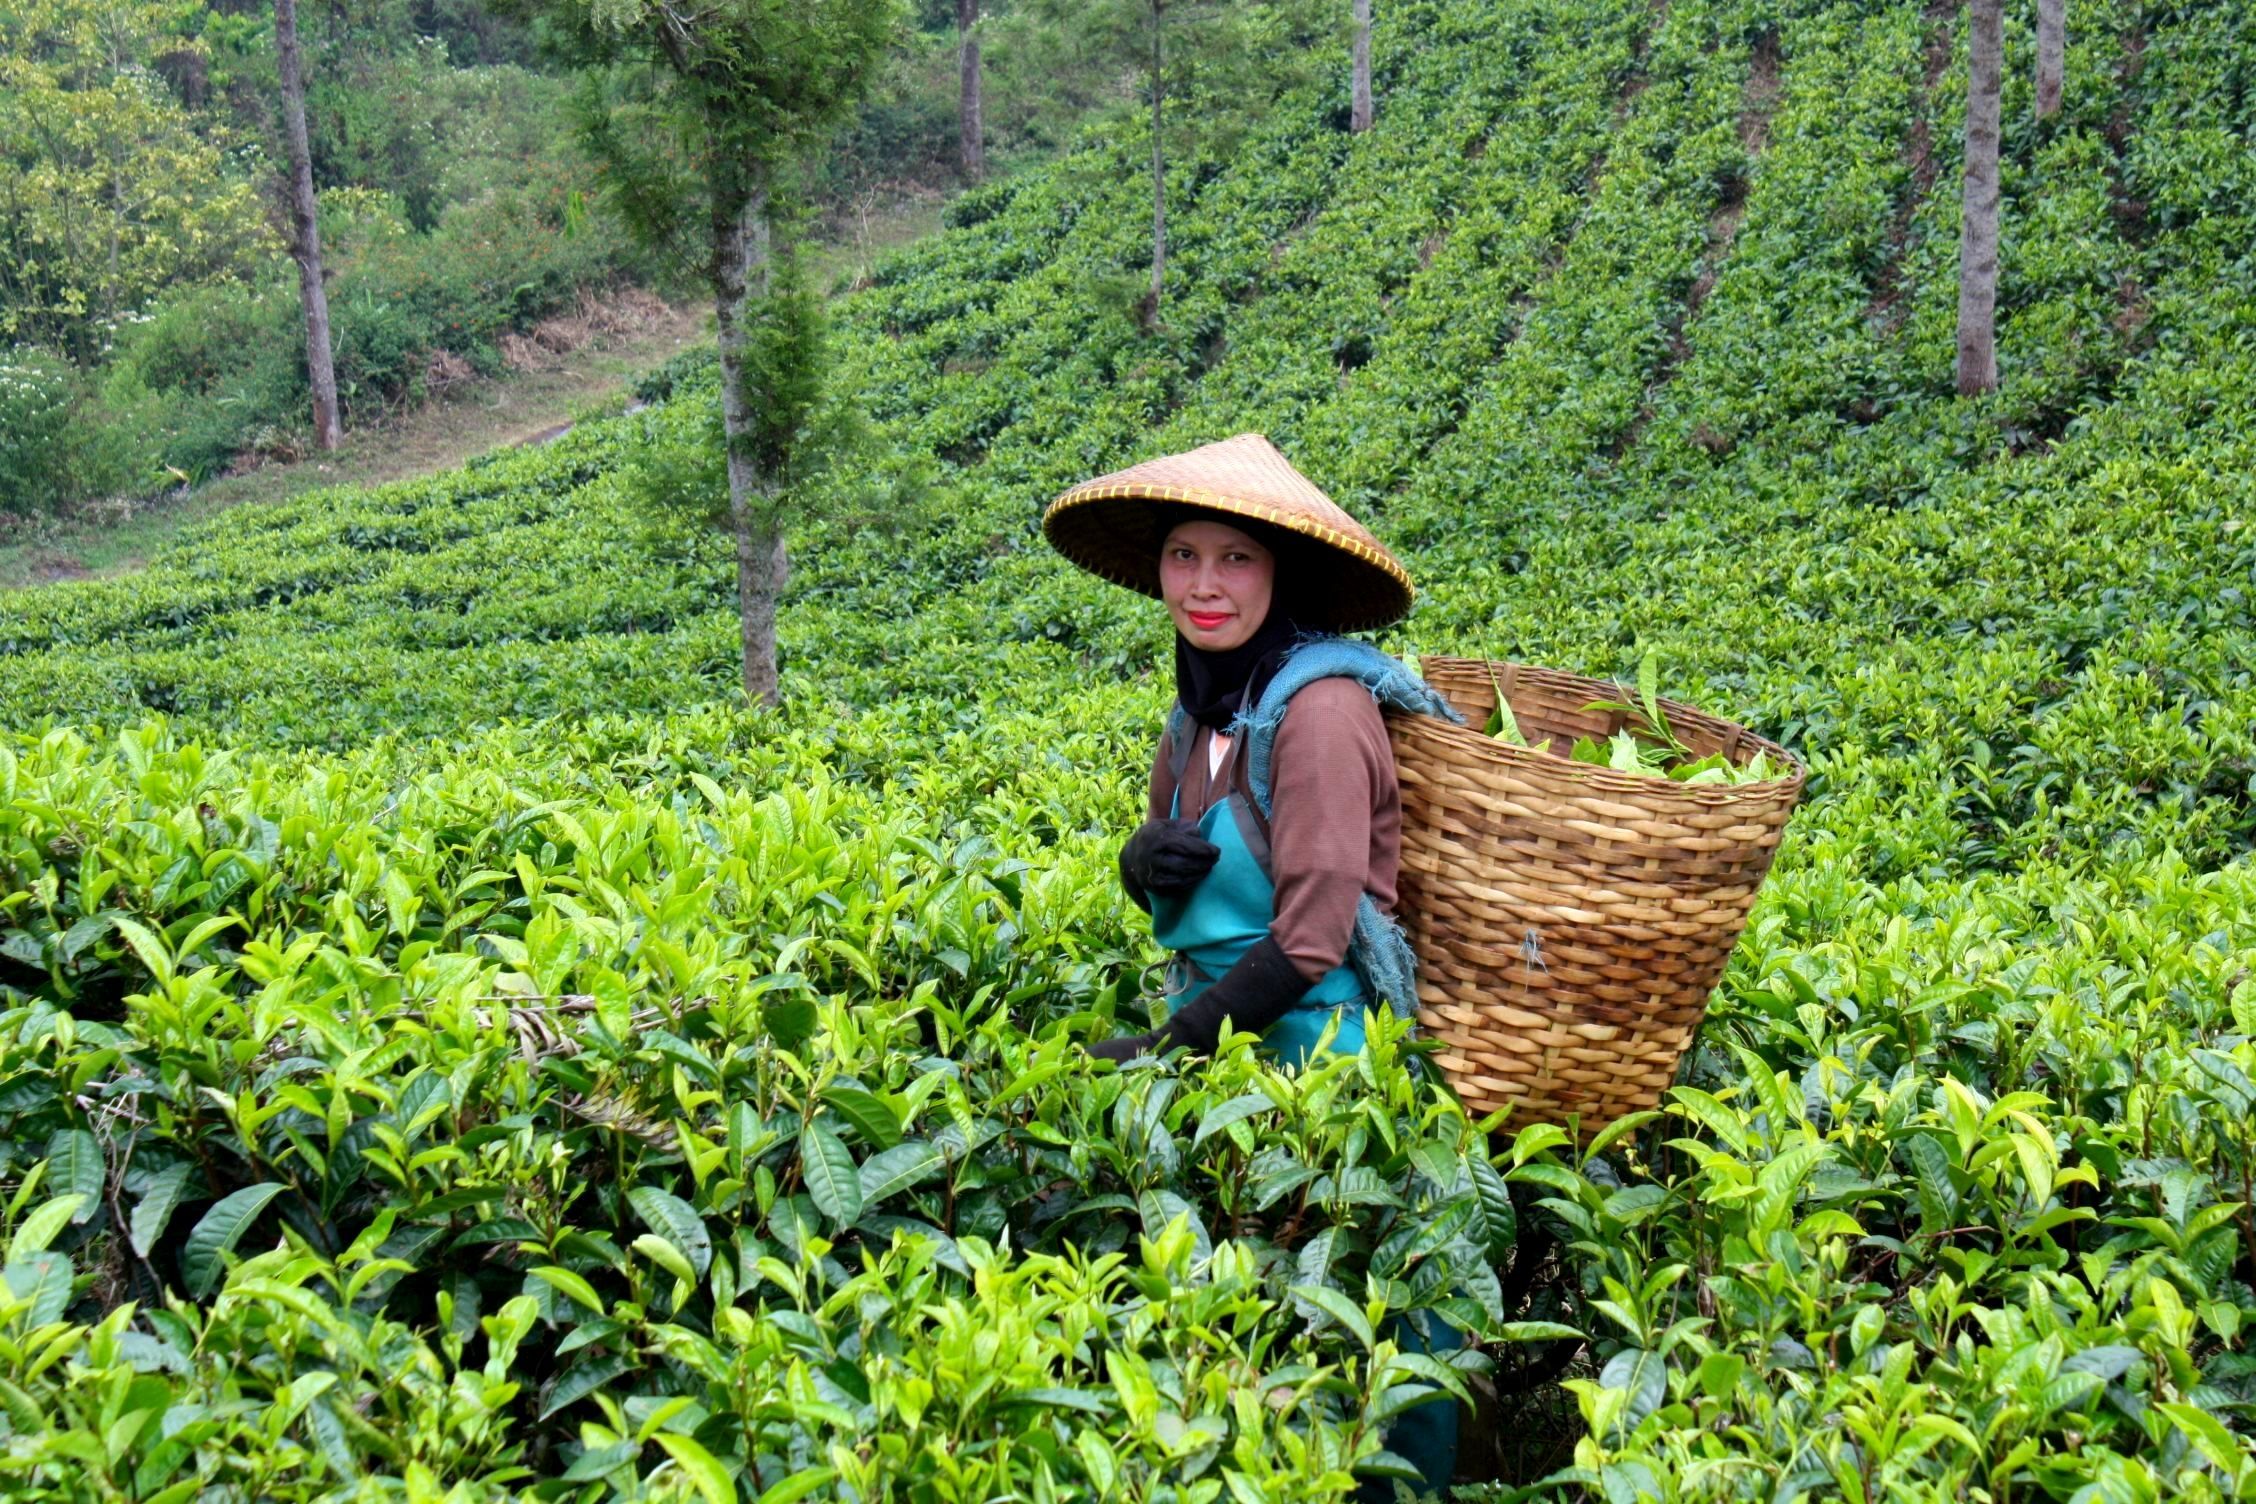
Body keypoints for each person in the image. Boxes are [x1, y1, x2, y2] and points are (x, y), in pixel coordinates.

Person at [1041, 431, 1462, 1499]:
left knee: (1339, 1342)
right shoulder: (1200, 713)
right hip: (1231, 1055)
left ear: (1281, 574)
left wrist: (1164, 1048)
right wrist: (1139, 863)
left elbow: (1313, 937)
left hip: (1317, 1063)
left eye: (1236, 559)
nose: (1205, 584)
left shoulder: (1318, 711)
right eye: (1185, 556)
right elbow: (1178, 878)